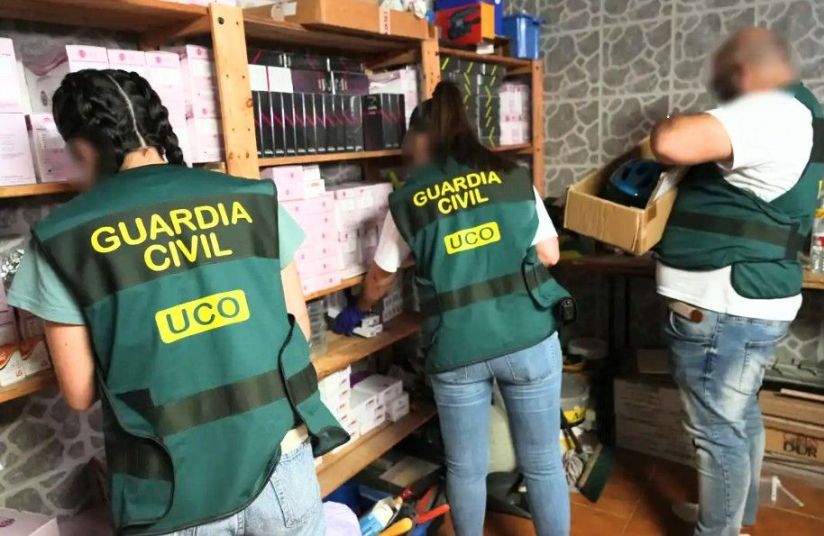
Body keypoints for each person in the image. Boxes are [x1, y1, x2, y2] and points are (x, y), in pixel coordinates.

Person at [6, 69, 348, 535]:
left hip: (168, 486)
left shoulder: (65, 237)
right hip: (280, 460)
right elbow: (299, 330)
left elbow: (81, 391)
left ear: (81, 150)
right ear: (155, 127)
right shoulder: (248, 198)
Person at [335, 81, 572, 536]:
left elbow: (381, 278)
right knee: (542, 461)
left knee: (465, 468)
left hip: (457, 346)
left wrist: (357, 309)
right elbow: (549, 254)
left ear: (422, 140)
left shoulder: (409, 198)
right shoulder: (511, 175)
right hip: (527, 335)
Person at [651, 28, 823, 536]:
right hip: (746, 300)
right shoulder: (802, 112)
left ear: (747, 70)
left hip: (723, 303)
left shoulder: (771, 109)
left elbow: (669, 141)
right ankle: (732, 517)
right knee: (738, 416)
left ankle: (718, 530)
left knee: (715, 433)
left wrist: (667, 121)